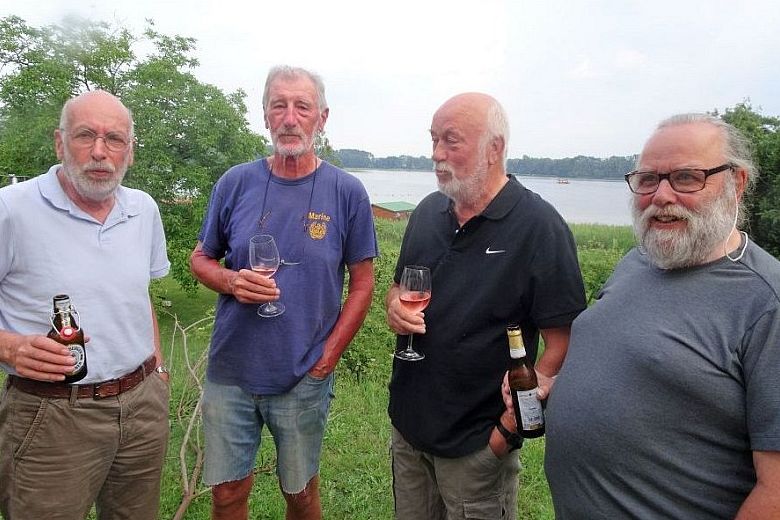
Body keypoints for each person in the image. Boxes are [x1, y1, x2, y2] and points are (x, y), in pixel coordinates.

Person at [544, 113, 780, 518]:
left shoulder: (766, 302)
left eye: (687, 178)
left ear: (737, 183)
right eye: (648, 179)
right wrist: (559, 389)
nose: (661, 196)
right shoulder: (639, 260)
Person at [385, 92, 586, 520]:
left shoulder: (539, 228)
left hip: (477, 447)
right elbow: (398, 288)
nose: (436, 153)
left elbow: (563, 343)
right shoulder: (427, 212)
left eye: (451, 140)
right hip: (408, 432)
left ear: (494, 148)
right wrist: (394, 307)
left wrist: (506, 432)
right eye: (434, 139)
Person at [190, 65, 378, 520]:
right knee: (226, 495)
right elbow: (200, 258)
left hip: (302, 375)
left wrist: (326, 359)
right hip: (231, 371)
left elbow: (363, 283)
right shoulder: (235, 182)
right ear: (265, 115)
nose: (290, 118)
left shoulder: (346, 191)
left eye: (302, 107)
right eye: (279, 106)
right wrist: (231, 281)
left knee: (300, 494)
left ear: (322, 117)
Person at [0, 90, 171, 519]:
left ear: (129, 152)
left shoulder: (143, 209)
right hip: (52, 414)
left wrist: (159, 369)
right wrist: (10, 348)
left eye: (114, 139)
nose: (99, 151)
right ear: (60, 143)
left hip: (142, 405)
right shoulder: (11, 210)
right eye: (84, 135)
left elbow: (139, 295)